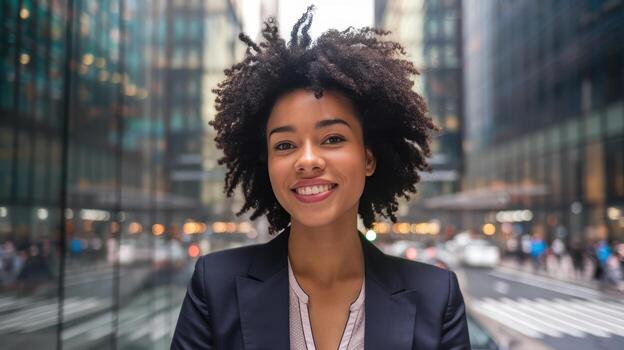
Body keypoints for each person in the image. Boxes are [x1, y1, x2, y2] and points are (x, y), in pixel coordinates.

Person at [171, 6, 470, 350]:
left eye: (332, 139)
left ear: (368, 157)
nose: (307, 160)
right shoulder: (215, 286)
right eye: (284, 145)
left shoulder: (437, 297)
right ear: (267, 164)